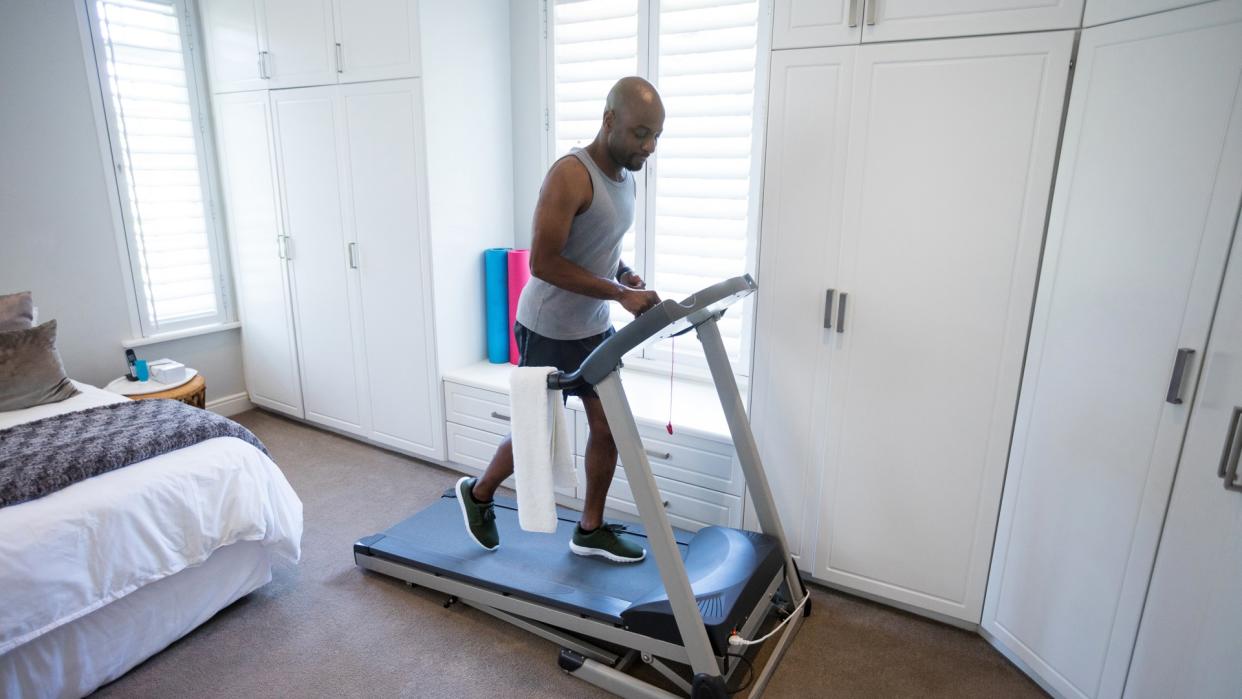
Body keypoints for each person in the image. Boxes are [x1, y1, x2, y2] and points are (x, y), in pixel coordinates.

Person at [456, 77, 665, 563]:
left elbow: (599, 246)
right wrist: (619, 294)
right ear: (609, 120)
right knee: (538, 433)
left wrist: (625, 276)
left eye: (655, 136)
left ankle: (589, 529)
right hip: (547, 327)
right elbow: (544, 263)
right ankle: (480, 493)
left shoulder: (627, 175)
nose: (648, 146)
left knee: (608, 428)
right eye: (639, 133)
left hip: (592, 325)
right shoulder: (571, 174)